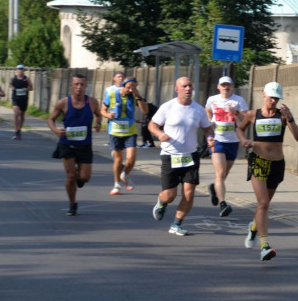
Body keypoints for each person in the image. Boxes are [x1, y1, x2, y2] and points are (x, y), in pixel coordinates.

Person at [236, 81, 298, 261]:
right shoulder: (252, 115)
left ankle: (253, 227)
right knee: (263, 202)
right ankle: (264, 245)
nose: (273, 100)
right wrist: (244, 141)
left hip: (277, 164)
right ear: (264, 95)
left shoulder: (283, 116)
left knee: (263, 206)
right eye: (271, 96)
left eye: (276, 97)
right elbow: (240, 129)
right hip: (258, 161)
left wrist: (291, 119)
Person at [148, 77, 214, 236]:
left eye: (190, 85)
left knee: (189, 193)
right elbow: (152, 124)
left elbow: (207, 128)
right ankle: (161, 201)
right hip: (170, 155)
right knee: (170, 195)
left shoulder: (198, 109)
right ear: (176, 89)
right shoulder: (168, 107)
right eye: (184, 86)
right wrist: (159, 134)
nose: (188, 88)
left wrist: (210, 137)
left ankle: (177, 224)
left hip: (190, 156)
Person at [47, 74, 102, 216]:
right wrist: (56, 131)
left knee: (84, 178)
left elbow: (99, 114)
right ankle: (72, 204)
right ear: (71, 86)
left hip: (85, 145)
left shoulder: (93, 102)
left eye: (82, 84)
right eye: (76, 84)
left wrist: (98, 123)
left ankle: (79, 174)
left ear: (86, 86)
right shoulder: (63, 103)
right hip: (67, 144)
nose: (79, 87)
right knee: (71, 177)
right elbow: (51, 120)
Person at [204, 75, 248, 217]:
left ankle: (214, 187)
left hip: (233, 141)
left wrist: (235, 112)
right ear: (218, 87)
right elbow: (207, 109)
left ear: (232, 87)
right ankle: (223, 204)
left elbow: (246, 119)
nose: (225, 87)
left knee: (223, 175)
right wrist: (210, 120)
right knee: (221, 173)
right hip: (217, 140)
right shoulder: (212, 99)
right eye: (223, 85)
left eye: (228, 85)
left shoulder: (238, 100)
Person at [102, 77, 148, 195]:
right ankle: (116, 185)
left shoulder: (135, 96)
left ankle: (125, 174)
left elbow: (145, 110)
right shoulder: (112, 94)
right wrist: (108, 115)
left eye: (134, 87)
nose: (131, 90)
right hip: (115, 131)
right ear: (123, 86)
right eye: (129, 87)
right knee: (118, 160)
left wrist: (138, 96)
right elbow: (102, 110)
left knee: (131, 159)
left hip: (130, 131)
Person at [9, 65, 33, 140]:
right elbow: (10, 85)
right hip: (15, 98)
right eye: (19, 69)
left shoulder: (27, 79)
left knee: (22, 115)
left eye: (21, 69)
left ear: (23, 70)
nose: (20, 70)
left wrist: (27, 89)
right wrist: (12, 87)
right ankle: (16, 131)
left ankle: (19, 130)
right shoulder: (13, 78)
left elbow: (31, 87)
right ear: (16, 70)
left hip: (24, 99)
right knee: (17, 113)